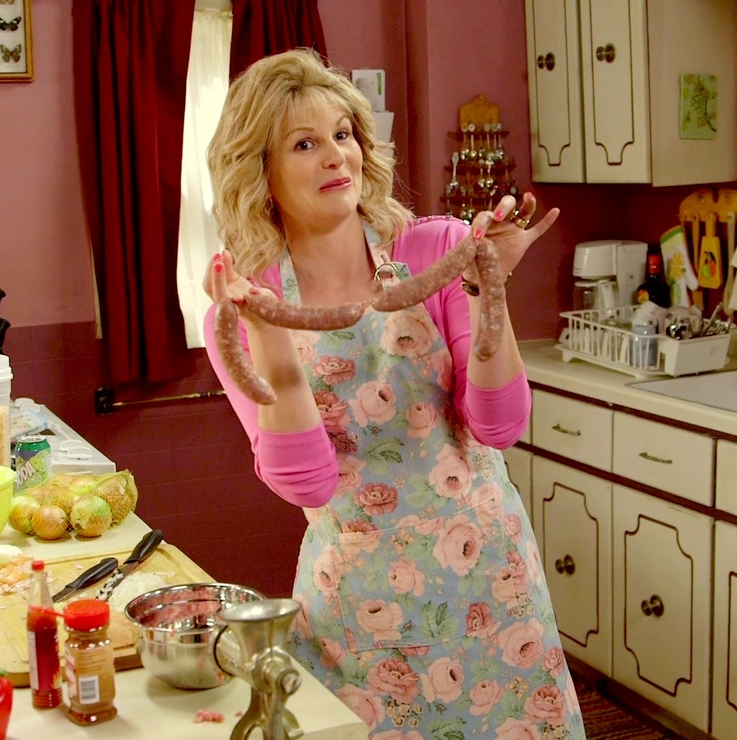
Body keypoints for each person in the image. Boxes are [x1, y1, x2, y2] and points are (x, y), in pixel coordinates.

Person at [203, 48, 586, 739]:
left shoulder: (435, 251)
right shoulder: (242, 310)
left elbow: (498, 425)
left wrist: (487, 292)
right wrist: (266, 333)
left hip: (490, 588)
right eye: (304, 144)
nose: (336, 156)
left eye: (343, 134)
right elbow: (308, 483)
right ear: (259, 171)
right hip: (359, 607)